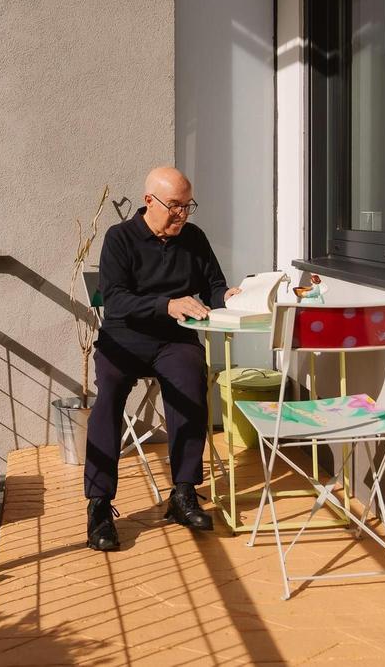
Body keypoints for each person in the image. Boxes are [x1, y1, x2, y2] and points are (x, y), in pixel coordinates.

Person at [84, 166, 240, 551]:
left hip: (174, 340)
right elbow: (115, 299)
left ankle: (183, 494)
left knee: (190, 385)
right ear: (148, 201)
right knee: (108, 398)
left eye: (187, 207)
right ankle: (100, 506)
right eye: (174, 206)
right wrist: (166, 304)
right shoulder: (119, 238)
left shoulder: (194, 239)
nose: (182, 215)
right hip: (124, 338)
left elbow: (214, 286)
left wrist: (231, 297)